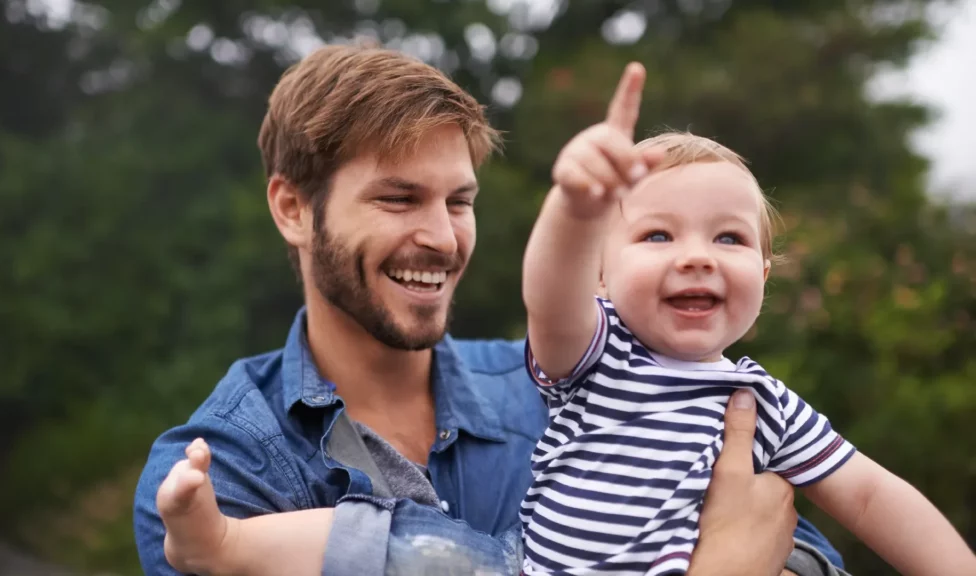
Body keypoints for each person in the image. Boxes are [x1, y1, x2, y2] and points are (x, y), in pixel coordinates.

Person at [133, 45, 848, 576]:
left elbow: (801, 551)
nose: (443, 238)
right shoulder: (223, 476)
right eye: (398, 199)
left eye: (459, 201)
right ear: (293, 208)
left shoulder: (580, 381)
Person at [518, 62, 976, 575]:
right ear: (600, 276)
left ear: (762, 274)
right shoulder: (600, 352)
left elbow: (870, 497)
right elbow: (550, 301)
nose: (697, 257)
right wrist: (574, 209)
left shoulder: (762, 402)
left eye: (729, 237)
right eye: (658, 235)